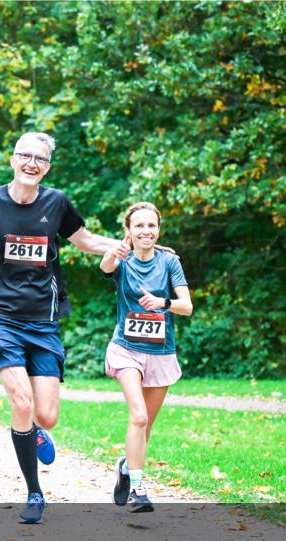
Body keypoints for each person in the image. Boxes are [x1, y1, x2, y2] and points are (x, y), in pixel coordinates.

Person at [0, 132, 136, 524]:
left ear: (48, 166)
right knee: (22, 403)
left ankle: (35, 432)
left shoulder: (57, 202)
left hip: (44, 320)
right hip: (1, 317)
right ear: (13, 159)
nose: (32, 163)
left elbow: (83, 241)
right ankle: (34, 492)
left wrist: (125, 245)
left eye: (41, 159)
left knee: (46, 416)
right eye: (25, 156)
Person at [101, 202, 192, 513]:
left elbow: (187, 305)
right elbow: (105, 268)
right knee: (137, 416)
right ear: (129, 231)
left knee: (146, 426)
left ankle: (126, 467)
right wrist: (116, 250)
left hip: (161, 353)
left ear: (158, 229)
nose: (146, 231)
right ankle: (139, 490)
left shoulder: (169, 262)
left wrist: (162, 302)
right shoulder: (121, 260)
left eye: (151, 226)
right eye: (139, 226)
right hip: (126, 349)